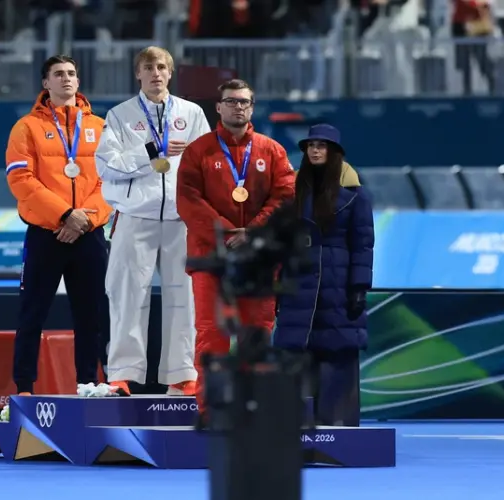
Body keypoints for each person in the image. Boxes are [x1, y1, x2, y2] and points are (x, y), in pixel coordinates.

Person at [176, 78, 295, 418]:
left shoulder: (272, 151)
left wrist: (254, 232)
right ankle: (209, 411)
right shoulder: (199, 151)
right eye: (230, 101)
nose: (237, 107)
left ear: (252, 107)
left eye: (243, 102)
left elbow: (286, 196)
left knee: (256, 334)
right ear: (218, 107)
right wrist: (227, 233)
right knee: (211, 335)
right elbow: (187, 199)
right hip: (210, 256)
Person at [95, 46, 210, 396]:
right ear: (138, 74)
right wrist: (150, 152)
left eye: (162, 67)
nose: (156, 73)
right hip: (134, 216)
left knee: (184, 296)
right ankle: (122, 374)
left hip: (181, 218)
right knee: (127, 295)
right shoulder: (119, 115)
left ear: (171, 73)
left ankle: (182, 374)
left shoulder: (191, 114)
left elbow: (206, 164)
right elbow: (106, 167)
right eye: (149, 67)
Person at [7, 54, 111, 397]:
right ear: (45, 83)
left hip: (89, 234)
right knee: (32, 314)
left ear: (78, 82)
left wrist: (85, 219)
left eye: (71, 74)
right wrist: (65, 215)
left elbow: (112, 181)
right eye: (58, 74)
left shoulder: (100, 127)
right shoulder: (27, 127)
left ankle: (89, 385)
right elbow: (21, 179)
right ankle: (24, 388)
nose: (66, 79)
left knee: (91, 317)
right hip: (46, 234)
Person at [272, 124, 374, 427]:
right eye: (311, 145)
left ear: (335, 153)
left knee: (337, 353)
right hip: (299, 283)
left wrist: (359, 287)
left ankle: (337, 425)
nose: (315, 150)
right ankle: (294, 427)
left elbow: (363, 244)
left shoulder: (356, 197)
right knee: (296, 353)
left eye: (322, 145)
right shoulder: (293, 192)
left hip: (337, 285)